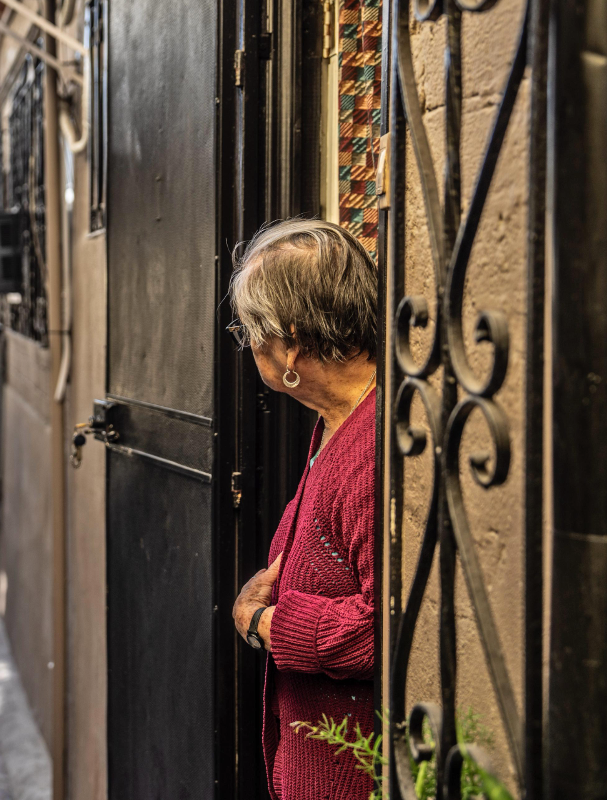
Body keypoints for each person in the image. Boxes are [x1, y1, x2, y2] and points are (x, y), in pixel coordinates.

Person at [228, 219, 378, 800]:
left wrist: (267, 623)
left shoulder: (369, 449)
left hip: (348, 774)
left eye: (250, 333)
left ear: (290, 343)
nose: (250, 348)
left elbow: (378, 627)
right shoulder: (334, 424)